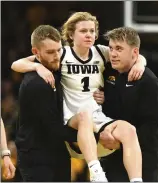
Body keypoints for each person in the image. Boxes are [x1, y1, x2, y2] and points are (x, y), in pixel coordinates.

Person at [11, 12, 146, 182]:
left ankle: (137, 180)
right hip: (73, 120)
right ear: (71, 34)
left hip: (96, 118)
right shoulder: (62, 54)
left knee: (129, 130)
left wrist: (140, 63)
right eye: (83, 31)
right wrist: (38, 68)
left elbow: (134, 54)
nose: (89, 34)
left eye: (92, 30)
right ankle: (96, 173)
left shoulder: (101, 52)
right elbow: (16, 64)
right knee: (84, 116)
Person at [14, 25, 79, 182]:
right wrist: (91, 137)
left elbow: (17, 63)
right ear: (36, 52)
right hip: (37, 157)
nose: (57, 56)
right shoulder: (37, 84)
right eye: (50, 52)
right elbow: (53, 127)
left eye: (59, 50)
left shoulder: (53, 66)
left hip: (56, 152)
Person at [99, 27, 158, 182]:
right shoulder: (108, 70)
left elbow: (151, 128)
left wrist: (121, 143)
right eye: (111, 48)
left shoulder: (149, 82)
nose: (113, 54)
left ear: (135, 52)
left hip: (142, 160)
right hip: (110, 156)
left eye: (119, 49)